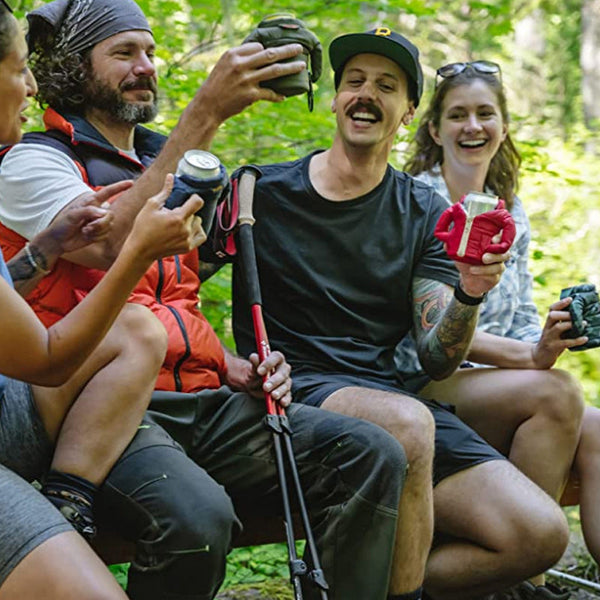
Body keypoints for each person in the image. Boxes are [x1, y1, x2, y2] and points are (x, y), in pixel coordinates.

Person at [0, 2, 409, 599]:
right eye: (123, 54)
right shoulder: (35, 159)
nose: (145, 67)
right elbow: (113, 245)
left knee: (370, 452)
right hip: (106, 408)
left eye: (150, 52)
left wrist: (231, 364)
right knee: (196, 521)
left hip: (202, 396)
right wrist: (209, 108)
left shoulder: (167, 159)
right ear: (73, 67)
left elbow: (177, 302)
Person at [231, 27, 574, 600]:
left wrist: (467, 294)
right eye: (355, 82)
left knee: (539, 535)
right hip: (298, 390)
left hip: (393, 394)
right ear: (336, 98)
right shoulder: (259, 191)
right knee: (408, 423)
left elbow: (438, 358)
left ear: (410, 111)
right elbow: (171, 278)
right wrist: (217, 363)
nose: (367, 94)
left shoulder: (423, 211)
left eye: (387, 86)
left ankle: (373, 584)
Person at [0, 4, 208, 598]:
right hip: (39, 396)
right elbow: (44, 360)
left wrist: (41, 252)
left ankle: (69, 498)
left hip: (160, 390)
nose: (32, 85)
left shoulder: (149, 155)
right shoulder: (36, 156)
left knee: (138, 327)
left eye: (150, 52)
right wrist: (136, 252)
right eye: (19, 67)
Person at [394, 58, 597, 598]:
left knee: (598, 430)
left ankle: (532, 580)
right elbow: (426, 335)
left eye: (486, 113)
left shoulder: (511, 210)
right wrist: (531, 361)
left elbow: (524, 319)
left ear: (503, 125)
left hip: (499, 381)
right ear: (435, 130)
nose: (473, 126)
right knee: (555, 392)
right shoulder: (418, 203)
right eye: (457, 115)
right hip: (425, 378)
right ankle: (520, 581)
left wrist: (549, 337)